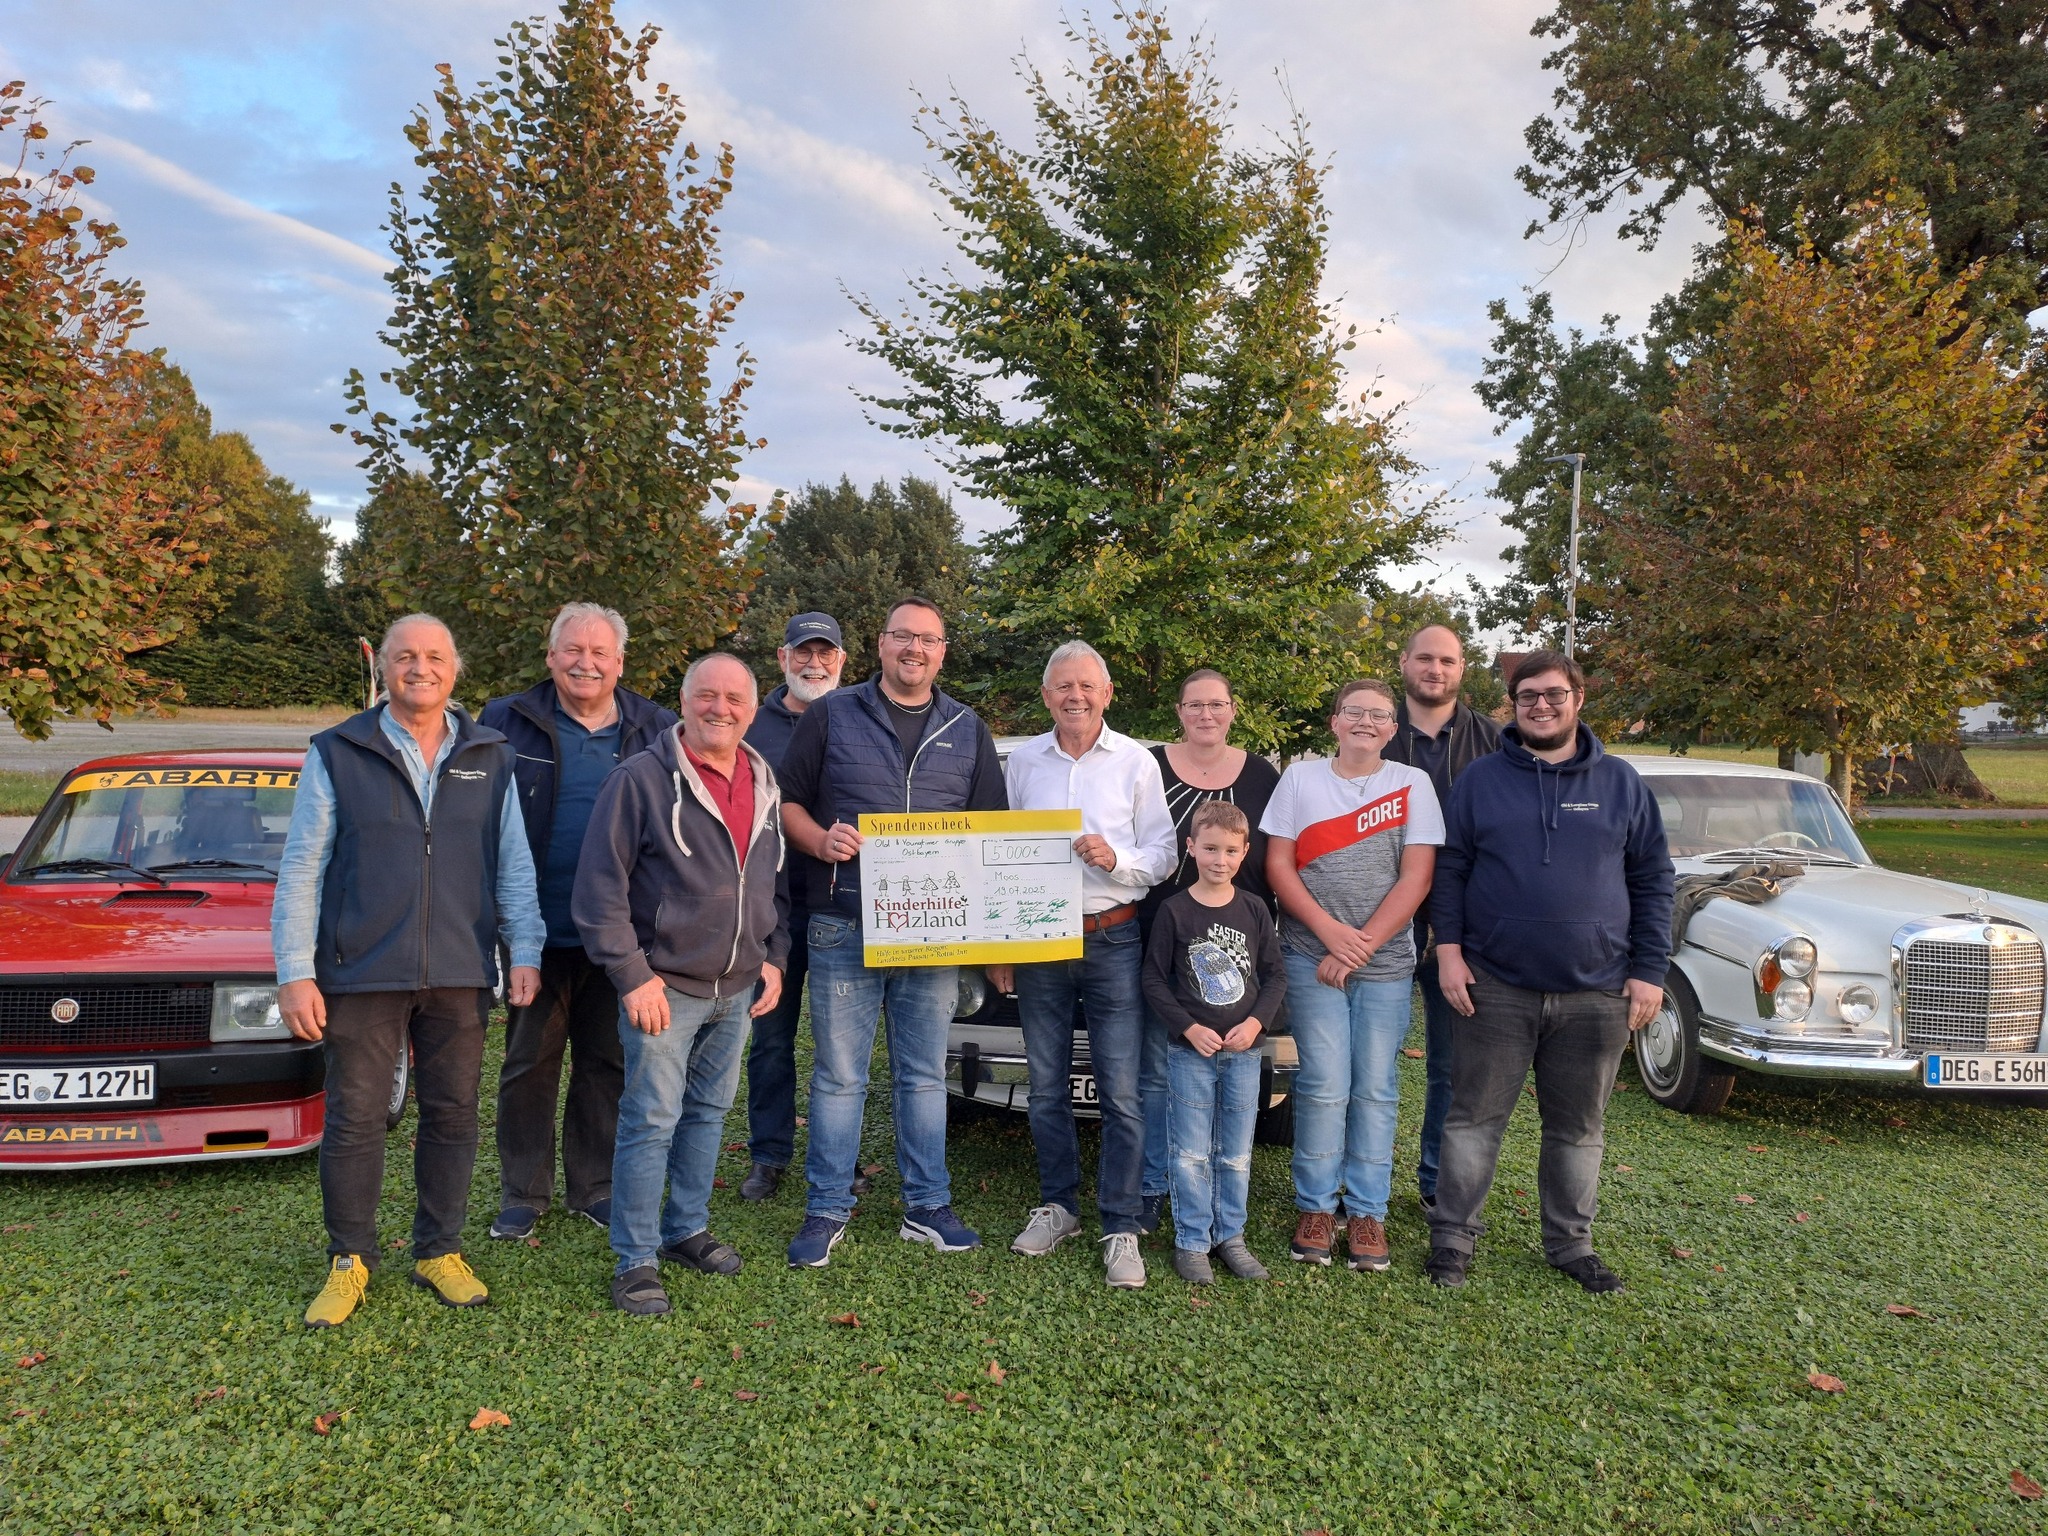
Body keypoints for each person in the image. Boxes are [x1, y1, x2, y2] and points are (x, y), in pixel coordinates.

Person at [276, 614, 545, 1329]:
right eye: (404, 657)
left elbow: (513, 864)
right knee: (358, 1116)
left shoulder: (490, 754)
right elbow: (302, 866)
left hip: (459, 967)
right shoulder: (338, 751)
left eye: (433, 657)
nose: (419, 669)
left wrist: (526, 950)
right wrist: (293, 970)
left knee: (453, 1114)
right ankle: (350, 1259)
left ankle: (439, 1250)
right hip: (360, 968)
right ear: (384, 670)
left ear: (455, 670)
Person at [1425, 650, 1673, 1294]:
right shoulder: (1480, 780)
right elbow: (1449, 871)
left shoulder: (1620, 783)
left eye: (1553, 694)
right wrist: (1448, 950)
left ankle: (1571, 1244)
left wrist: (1649, 970)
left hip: (1597, 990)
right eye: (1528, 695)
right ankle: (1452, 1239)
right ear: (1513, 704)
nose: (1541, 705)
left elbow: (1652, 881)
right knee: (1474, 1117)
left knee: (1578, 1126)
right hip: (1494, 985)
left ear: (1578, 698)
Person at [775, 595, 1008, 1268]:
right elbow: (785, 802)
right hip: (843, 923)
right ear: (879, 645)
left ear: (942, 652)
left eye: (928, 639)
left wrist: (993, 940)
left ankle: (927, 1205)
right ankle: (826, 1208)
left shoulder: (967, 728)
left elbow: (991, 835)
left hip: (933, 935)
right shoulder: (830, 714)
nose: (915, 649)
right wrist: (820, 840)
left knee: (922, 1076)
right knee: (840, 1076)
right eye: (902, 636)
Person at [571, 652, 789, 1316]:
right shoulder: (640, 780)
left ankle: (685, 1229)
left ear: (752, 710)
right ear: (684, 701)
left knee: (707, 1115)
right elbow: (598, 889)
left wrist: (771, 954)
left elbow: (770, 880)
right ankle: (634, 1259)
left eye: (734, 699)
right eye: (706, 696)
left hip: (739, 987)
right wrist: (631, 975)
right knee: (651, 1119)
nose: (720, 708)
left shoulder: (762, 777)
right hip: (664, 988)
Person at [480, 603, 679, 1241]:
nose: (585, 662)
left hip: (620, 936)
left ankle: (593, 1187)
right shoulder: (504, 722)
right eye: (572, 649)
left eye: (600, 653)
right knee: (527, 1064)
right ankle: (523, 1193)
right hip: (535, 931)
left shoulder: (657, 729)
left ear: (621, 663)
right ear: (550, 655)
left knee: (606, 1063)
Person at [997, 640, 1176, 1289]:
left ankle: (1122, 1224)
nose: (1075, 696)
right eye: (1062, 686)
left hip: (1113, 937)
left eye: (1086, 686)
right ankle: (1061, 1205)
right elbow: (1001, 852)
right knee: (1045, 1085)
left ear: (1106, 694)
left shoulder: (1135, 762)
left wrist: (1117, 861)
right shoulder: (1022, 763)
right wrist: (1004, 946)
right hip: (1040, 943)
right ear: (1046, 697)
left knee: (1122, 1091)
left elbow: (1163, 851)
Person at [1261, 678, 1442, 1273]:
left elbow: (1416, 878)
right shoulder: (1300, 779)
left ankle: (1366, 1211)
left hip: (1384, 966)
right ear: (1334, 721)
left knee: (1376, 1088)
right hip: (1311, 956)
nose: (1366, 722)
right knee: (1323, 1084)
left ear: (1394, 729)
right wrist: (1330, 935)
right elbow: (1278, 865)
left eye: (1380, 715)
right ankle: (1316, 1206)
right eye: (1354, 712)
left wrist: (1358, 947)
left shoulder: (1413, 784)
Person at [1135, 668, 1282, 1235]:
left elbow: (1276, 855)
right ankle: (1152, 1187)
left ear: (1233, 709)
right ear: (1178, 710)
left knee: (1222, 1085)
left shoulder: (1263, 777)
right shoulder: (1147, 765)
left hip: (1236, 939)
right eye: (1194, 704)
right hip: (1158, 928)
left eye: (1216, 704)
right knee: (1157, 1070)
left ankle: (1218, 1206)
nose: (1205, 714)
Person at [1377, 625, 1501, 1214]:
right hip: (1379, 923)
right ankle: (1362, 1186)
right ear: (1404, 663)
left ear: (1461, 668)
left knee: (1453, 1069)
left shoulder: (1496, 743)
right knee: (1369, 1065)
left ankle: (1436, 1185)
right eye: (1425, 657)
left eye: (1447, 660)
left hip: (1464, 933)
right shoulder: (1371, 731)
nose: (1435, 669)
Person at [1141, 800, 1286, 1286]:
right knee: (1189, 1151)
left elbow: (1275, 977)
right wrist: (1187, 1027)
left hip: (1243, 1053)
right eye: (1209, 849)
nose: (1218, 859)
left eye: (1229, 850)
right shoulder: (1174, 911)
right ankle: (1192, 1240)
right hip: (1190, 1054)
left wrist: (1255, 1025)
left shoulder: (1254, 909)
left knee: (1235, 1151)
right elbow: (1154, 980)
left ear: (1245, 852)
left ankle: (1231, 1237)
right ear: (1191, 848)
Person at [737, 612, 847, 1204]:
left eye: (825, 653)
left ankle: (839, 1154)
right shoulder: (752, 725)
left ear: (842, 661)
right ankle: (770, 1153)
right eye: (802, 653)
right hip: (769, 909)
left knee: (841, 1045)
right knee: (772, 1035)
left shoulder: (858, 716)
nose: (814, 663)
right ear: (782, 659)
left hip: (842, 905)